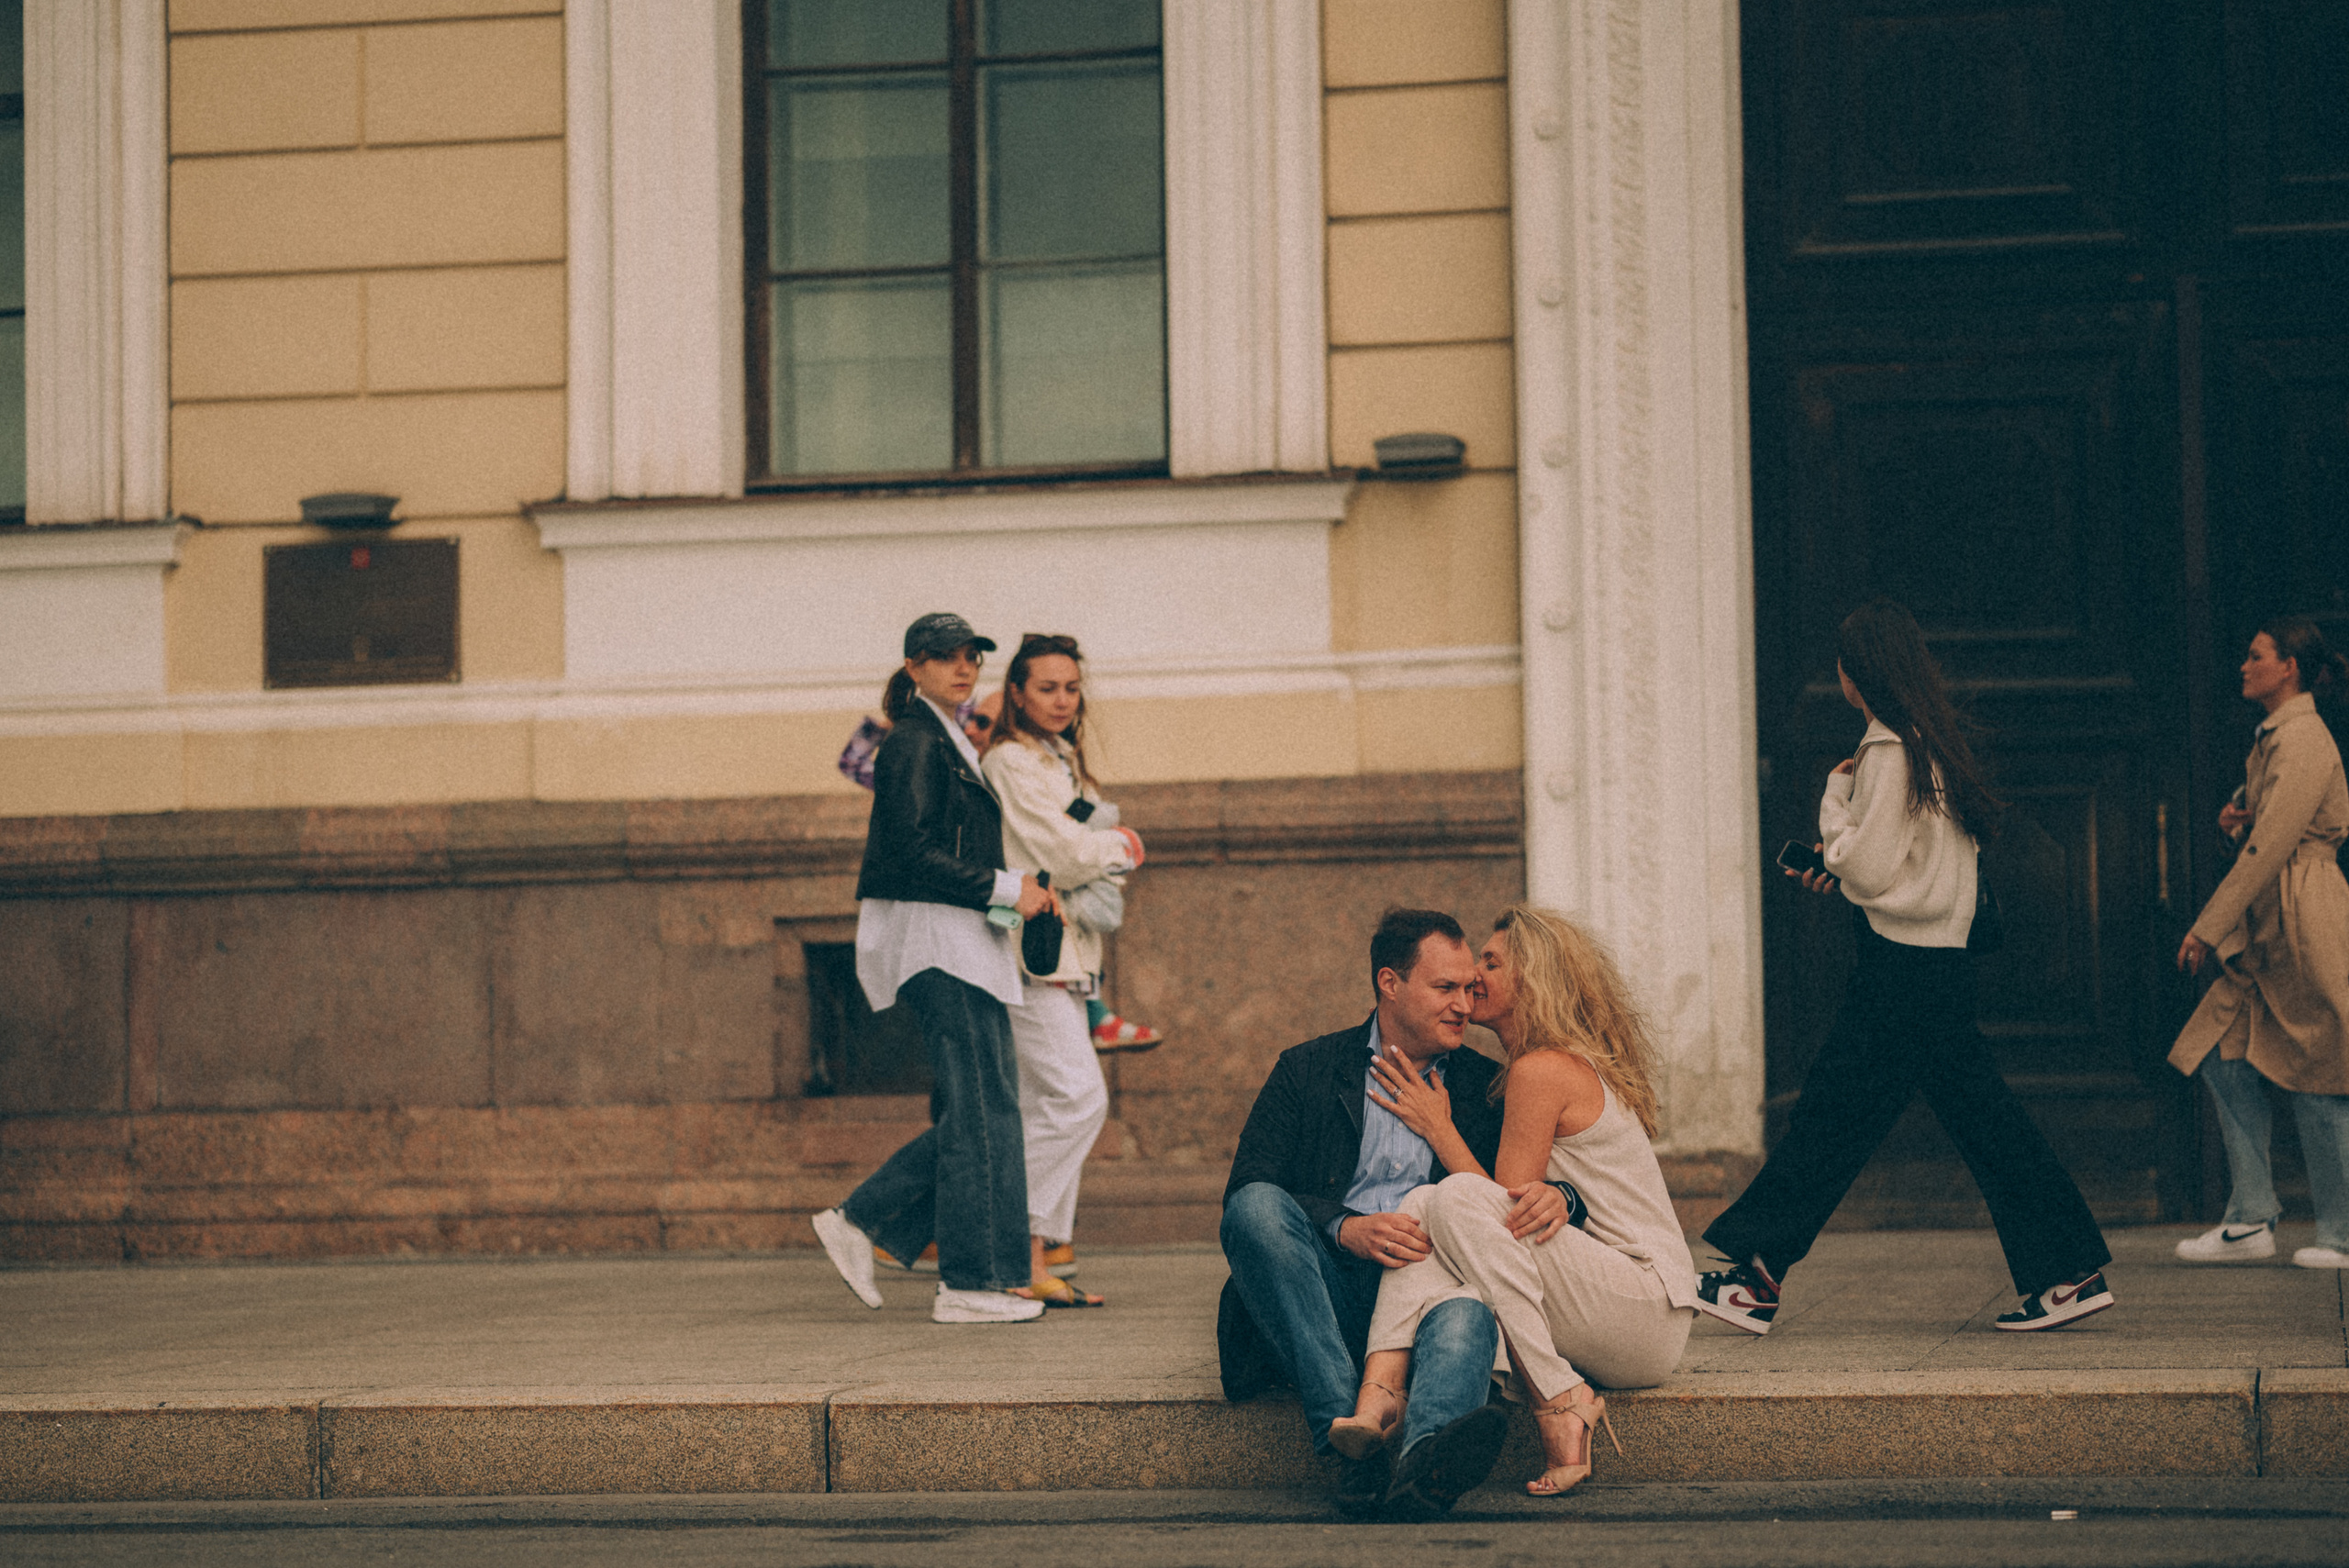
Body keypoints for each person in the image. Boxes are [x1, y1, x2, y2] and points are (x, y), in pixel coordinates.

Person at [1697, 598, 2115, 1334]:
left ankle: (1756, 1277)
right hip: (1934, 966)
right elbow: (1906, 865)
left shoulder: (1887, 750)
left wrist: (1834, 809)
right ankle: (2067, 1269)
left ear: (1858, 671)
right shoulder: (1931, 742)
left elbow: (1868, 864)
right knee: (1958, 1116)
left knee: (1836, 1112)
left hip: (1900, 971)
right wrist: (1851, 867)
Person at [1218, 908, 1574, 1518]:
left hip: (1429, 1297)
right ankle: (1347, 1443)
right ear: (1389, 982)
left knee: (1468, 1316)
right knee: (1253, 1209)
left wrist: (1567, 1196)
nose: (1466, 1003)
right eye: (1446, 988)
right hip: (1326, 1293)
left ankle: (1425, 1462)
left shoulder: (1488, 1087)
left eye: (1470, 987)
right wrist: (1345, 1226)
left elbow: (1534, 1185)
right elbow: (1249, 1185)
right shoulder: (1307, 1069)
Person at [1332, 905, 1697, 1497]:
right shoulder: (1538, 1068)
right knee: (1429, 1202)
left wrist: (1438, 1128)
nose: (1474, 975)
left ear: (1533, 978)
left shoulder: (1542, 1070)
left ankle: (1556, 1396)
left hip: (1644, 1306)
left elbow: (1488, 1207)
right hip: (1620, 1305)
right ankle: (1382, 1397)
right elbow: (1501, 1219)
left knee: (1443, 1199)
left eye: (1492, 962)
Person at [809, 613, 1060, 1325]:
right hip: (938, 946)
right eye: (945, 658)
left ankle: (864, 1221)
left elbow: (941, 851)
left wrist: (1023, 896)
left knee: (980, 1111)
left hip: (958, 943)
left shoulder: (942, 737)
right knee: (984, 1111)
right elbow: (911, 854)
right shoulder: (915, 742)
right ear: (914, 666)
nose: (962, 668)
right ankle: (971, 1284)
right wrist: (1013, 889)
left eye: (970, 657)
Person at [2170, 617, 2349, 1270]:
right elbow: (2263, 832)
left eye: (2255, 656)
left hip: (2303, 915)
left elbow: (2272, 845)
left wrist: (2207, 925)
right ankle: (2249, 1217)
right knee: (2223, 1053)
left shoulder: (2301, 737)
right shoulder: (2277, 736)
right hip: (2274, 916)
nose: (2243, 666)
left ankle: (2341, 1231)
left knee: (2318, 1069)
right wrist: (2232, 824)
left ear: (2289, 668)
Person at [981, 633, 1144, 1307]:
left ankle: (1030, 1256)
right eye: (1046, 687)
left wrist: (1093, 848)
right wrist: (1123, 844)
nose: (1061, 699)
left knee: (1041, 1106)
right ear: (1017, 691)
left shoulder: (1058, 756)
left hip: (1061, 955)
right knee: (1081, 1099)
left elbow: (1072, 843)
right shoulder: (1011, 761)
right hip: (1029, 952)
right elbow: (1062, 852)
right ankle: (1008, 1243)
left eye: (1071, 687)